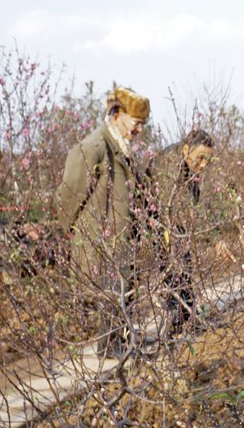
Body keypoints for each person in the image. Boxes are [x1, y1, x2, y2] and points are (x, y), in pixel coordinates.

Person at [57, 85, 150, 357]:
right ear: (118, 115)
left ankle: (118, 346)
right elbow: (69, 196)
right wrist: (75, 232)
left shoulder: (121, 148)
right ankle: (111, 351)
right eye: (137, 123)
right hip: (101, 240)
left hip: (120, 240)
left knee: (123, 293)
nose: (139, 130)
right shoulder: (94, 148)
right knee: (112, 295)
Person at [144, 129, 215, 334]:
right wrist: (205, 236)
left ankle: (186, 320)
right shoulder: (167, 165)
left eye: (207, 160)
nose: (203, 165)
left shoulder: (188, 167)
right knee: (174, 274)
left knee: (184, 270)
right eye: (200, 158)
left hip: (173, 226)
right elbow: (173, 211)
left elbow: (195, 205)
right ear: (186, 150)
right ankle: (173, 329)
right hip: (158, 225)